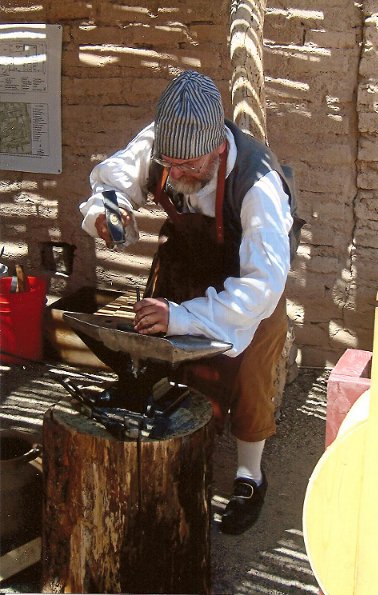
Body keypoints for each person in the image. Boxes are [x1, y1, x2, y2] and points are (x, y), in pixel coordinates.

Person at [79, 70, 302, 535]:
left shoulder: (257, 185)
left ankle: (249, 477)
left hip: (249, 286)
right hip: (184, 265)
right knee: (159, 359)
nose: (173, 175)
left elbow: (261, 285)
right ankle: (170, 452)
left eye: (187, 167)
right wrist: (108, 209)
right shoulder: (166, 145)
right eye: (169, 164)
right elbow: (118, 174)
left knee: (249, 377)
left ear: (219, 149)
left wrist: (184, 316)